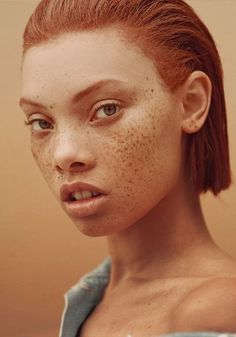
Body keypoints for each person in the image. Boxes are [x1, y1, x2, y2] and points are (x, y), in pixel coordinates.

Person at [19, 0, 236, 336]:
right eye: (41, 122)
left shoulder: (218, 311)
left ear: (192, 102)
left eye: (106, 109)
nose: (63, 155)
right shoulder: (93, 300)